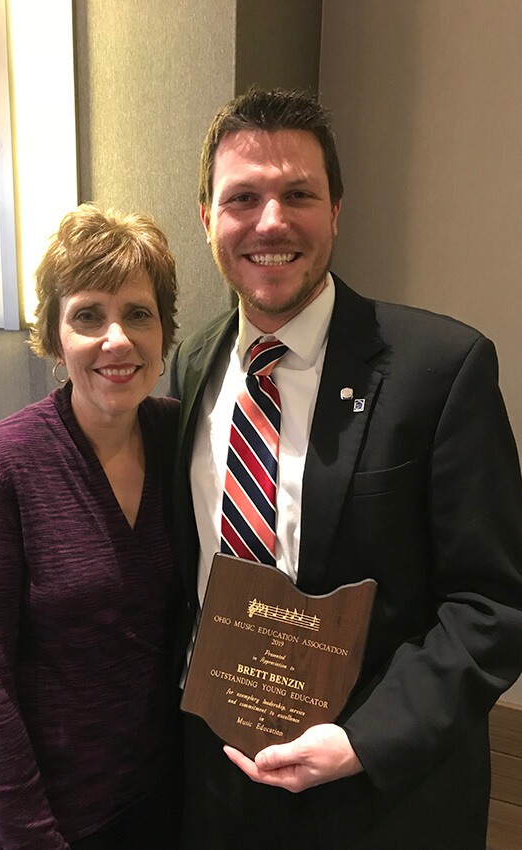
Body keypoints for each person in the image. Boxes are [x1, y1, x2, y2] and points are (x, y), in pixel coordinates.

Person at [170, 88, 522, 849]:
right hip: (217, 779)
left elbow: (492, 603)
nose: (270, 222)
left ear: (336, 211)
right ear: (206, 219)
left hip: (379, 795)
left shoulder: (442, 369)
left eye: (298, 194)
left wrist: (365, 740)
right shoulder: (191, 364)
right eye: (242, 198)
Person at [0, 205, 184, 849]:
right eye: (88, 316)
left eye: (138, 314)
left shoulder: (179, 435)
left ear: (164, 332)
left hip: (167, 796)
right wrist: (33, 836)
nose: (117, 339)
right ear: (55, 338)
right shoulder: (2, 462)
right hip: (51, 818)